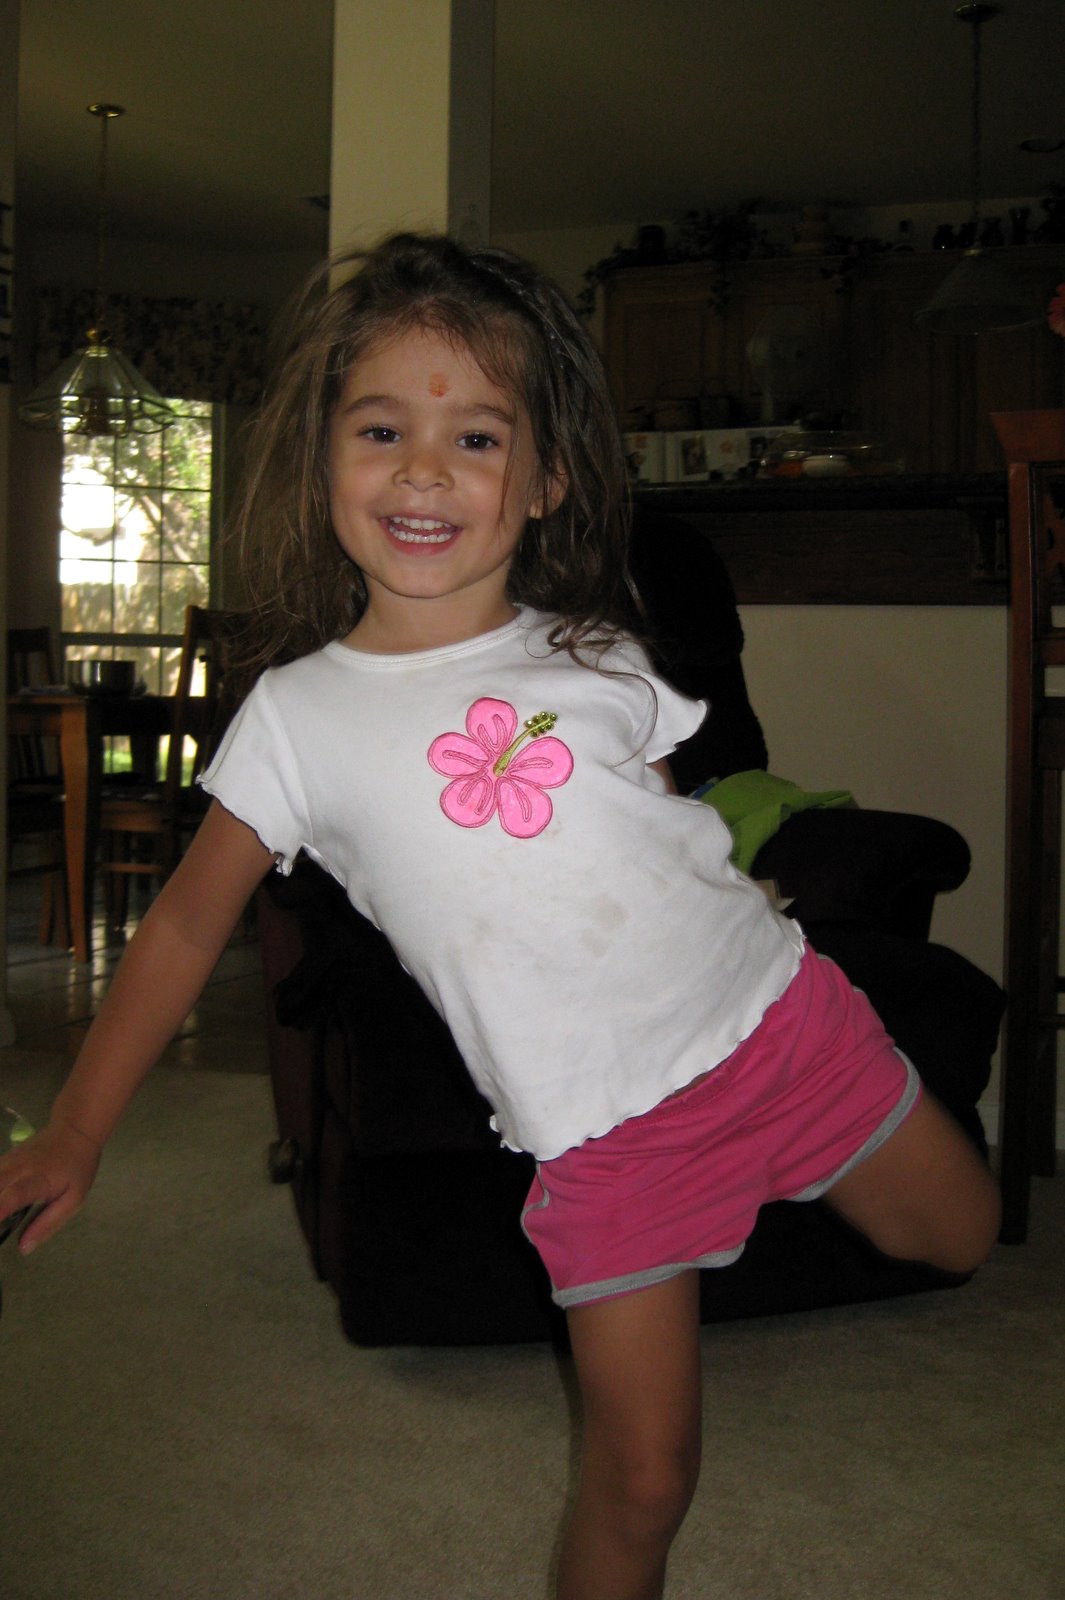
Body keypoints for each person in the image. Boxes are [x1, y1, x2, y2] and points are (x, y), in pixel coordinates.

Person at [0, 233, 1000, 1600]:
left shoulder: (600, 652)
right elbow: (177, 929)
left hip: (780, 1028)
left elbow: (662, 836)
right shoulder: (295, 719)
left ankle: (779, 1172)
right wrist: (77, 1127)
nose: (423, 470)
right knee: (644, 1481)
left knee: (957, 1234)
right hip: (604, 1137)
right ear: (323, 460)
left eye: (475, 437)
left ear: (543, 482)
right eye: (381, 430)